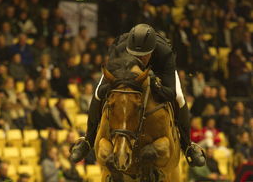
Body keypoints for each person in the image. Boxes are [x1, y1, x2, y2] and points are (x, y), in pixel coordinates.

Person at [71, 24, 205, 167]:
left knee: (179, 97)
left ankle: (188, 146)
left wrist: (154, 83)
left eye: (144, 55)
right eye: (136, 55)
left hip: (158, 73)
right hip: (124, 72)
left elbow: (170, 93)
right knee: (98, 92)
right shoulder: (119, 49)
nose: (140, 59)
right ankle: (87, 141)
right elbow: (108, 83)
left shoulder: (164, 54)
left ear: (152, 51)